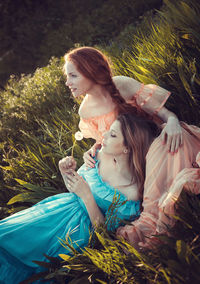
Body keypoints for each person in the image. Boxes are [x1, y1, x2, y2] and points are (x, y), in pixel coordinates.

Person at [0, 114, 158, 284]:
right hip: (57, 210)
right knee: (8, 237)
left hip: (76, 235)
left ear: (128, 148)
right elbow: (74, 188)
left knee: (37, 271)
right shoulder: (99, 154)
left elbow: (105, 233)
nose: (103, 136)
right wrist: (66, 172)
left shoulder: (132, 193)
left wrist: (87, 196)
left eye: (112, 135)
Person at [64, 46, 183, 169]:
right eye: (67, 76)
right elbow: (108, 139)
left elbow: (165, 114)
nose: (67, 83)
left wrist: (173, 121)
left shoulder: (123, 84)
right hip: (134, 161)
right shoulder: (85, 112)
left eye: (73, 75)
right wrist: (94, 149)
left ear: (91, 72)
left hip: (156, 140)